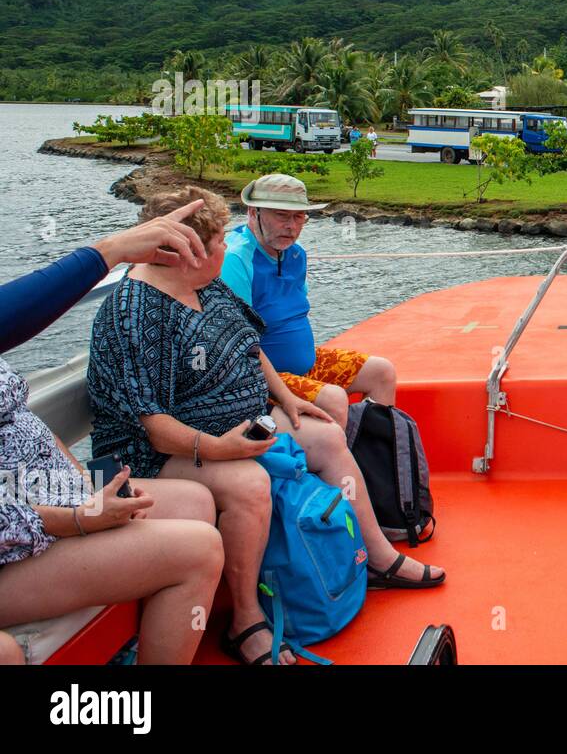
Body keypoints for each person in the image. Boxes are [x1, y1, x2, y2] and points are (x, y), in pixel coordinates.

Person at [87, 187, 445, 667]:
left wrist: (288, 397)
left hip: (238, 421)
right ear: (190, 252)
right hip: (160, 453)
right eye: (218, 242)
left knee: (324, 436)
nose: (227, 248)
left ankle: (378, 555)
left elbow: (250, 347)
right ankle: (246, 622)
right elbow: (151, 425)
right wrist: (218, 449)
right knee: (248, 483)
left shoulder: (206, 287)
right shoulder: (133, 312)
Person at [0, 203, 225, 665]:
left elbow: (20, 418)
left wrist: (83, 482)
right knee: (198, 549)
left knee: (195, 501)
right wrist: (80, 518)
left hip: (52, 498)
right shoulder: (135, 311)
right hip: (19, 536)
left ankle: (140, 643)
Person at [221, 174, 398, 428]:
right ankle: (338, 465)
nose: (292, 226)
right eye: (282, 215)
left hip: (304, 367)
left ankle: (376, 455)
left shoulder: (295, 253)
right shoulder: (236, 259)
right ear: (253, 212)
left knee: (381, 372)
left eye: (299, 216)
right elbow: (240, 345)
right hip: (260, 379)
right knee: (334, 398)